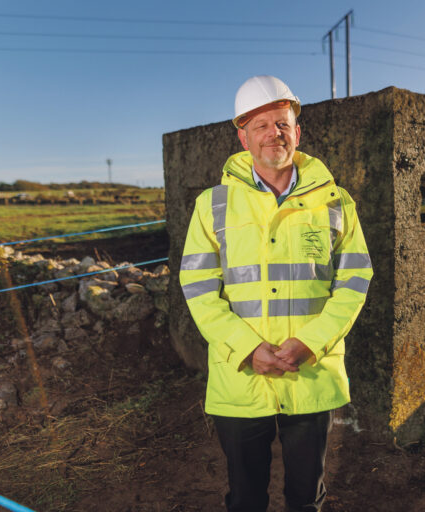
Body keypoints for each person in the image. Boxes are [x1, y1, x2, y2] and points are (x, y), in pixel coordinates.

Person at [179, 75, 373, 512]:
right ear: (243, 136)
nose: (274, 133)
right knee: (246, 498)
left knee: (307, 498)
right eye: (261, 124)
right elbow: (198, 286)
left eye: (282, 123)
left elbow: (355, 279)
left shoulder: (336, 202)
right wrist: (247, 348)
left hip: (311, 373)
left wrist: (310, 342)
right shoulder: (213, 204)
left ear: (297, 132)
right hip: (241, 378)